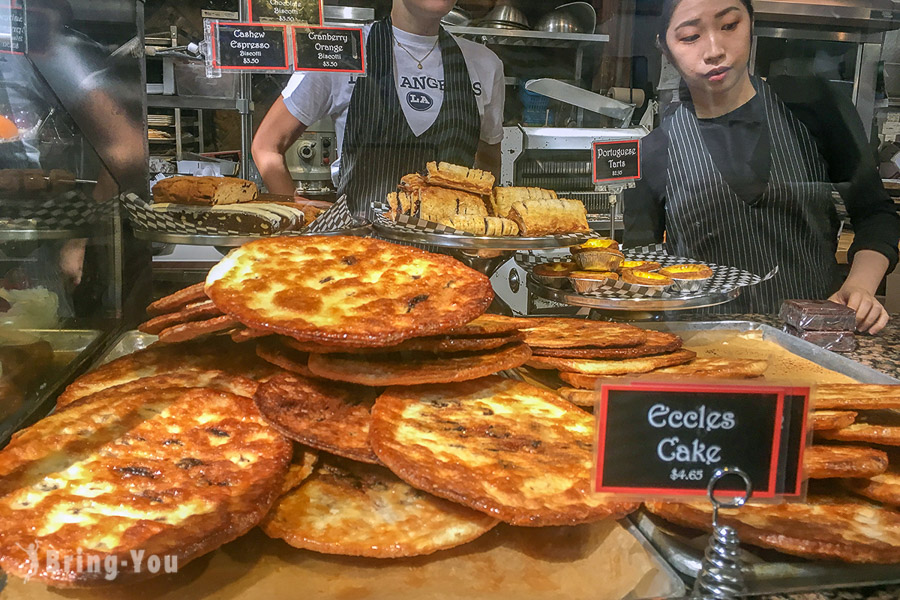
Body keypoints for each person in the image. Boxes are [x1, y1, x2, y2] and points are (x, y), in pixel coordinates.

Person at [624, 0, 900, 333]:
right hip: (702, 349)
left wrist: (860, 286)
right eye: (691, 36)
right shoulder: (653, 150)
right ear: (664, 47)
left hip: (814, 339)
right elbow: (639, 269)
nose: (714, 50)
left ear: (751, 23)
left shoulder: (813, 108)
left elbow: (875, 214)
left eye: (729, 26)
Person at [252, 0, 505, 221]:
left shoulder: (484, 63)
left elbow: (488, 161)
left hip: (453, 260)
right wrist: (295, 210)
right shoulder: (343, 50)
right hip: (363, 258)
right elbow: (266, 146)